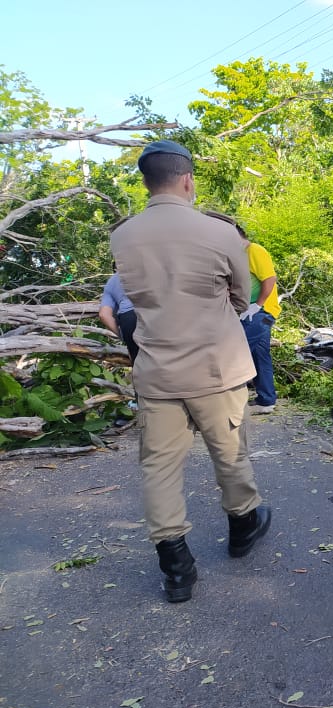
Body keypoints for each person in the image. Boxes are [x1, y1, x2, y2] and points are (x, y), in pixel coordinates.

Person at [111, 140, 271, 604]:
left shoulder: (122, 236)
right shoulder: (220, 233)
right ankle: (243, 528)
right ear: (188, 180)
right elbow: (243, 297)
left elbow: (131, 300)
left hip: (157, 370)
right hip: (215, 368)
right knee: (230, 454)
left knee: (159, 469)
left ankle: (177, 569)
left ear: (146, 182)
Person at [235, 222, 281, 415]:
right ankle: (266, 400)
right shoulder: (239, 256)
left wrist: (258, 304)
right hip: (251, 311)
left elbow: (269, 279)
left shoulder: (255, 251)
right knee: (260, 356)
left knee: (236, 350)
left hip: (263, 313)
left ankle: (228, 401)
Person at [98, 270, 139, 363]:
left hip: (128, 320)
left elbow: (103, 315)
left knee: (141, 366)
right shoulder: (151, 266)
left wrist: (123, 336)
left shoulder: (112, 281)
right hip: (153, 313)